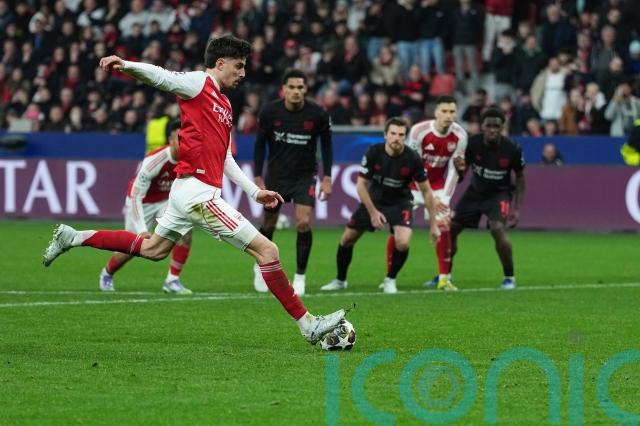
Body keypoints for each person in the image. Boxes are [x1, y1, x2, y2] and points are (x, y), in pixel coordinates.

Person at [42, 35, 346, 345]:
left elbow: (225, 157)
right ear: (220, 63)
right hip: (198, 193)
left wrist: (255, 192)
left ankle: (73, 237)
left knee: (153, 250)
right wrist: (127, 65)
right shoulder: (199, 83)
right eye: (239, 66)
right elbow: (162, 77)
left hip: (186, 191)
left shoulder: (224, 104)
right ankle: (308, 325)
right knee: (268, 250)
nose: (242, 74)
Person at [321, 117, 440, 294]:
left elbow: (427, 192)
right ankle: (340, 280)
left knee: (403, 242)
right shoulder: (374, 152)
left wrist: (434, 225)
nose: (397, 138)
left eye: (401, 135)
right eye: (393, 133)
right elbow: (361, 186)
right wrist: (373, 213)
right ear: (385, 135)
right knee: (347, 239)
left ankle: (390, 279)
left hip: (400, 202)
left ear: (405, 137)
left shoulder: (413, 158)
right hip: (374, 201)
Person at [253, 69, 333, 296]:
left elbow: (327, 145)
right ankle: (260, 267)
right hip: (276, 175)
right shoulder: (269, 112)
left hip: (304, 175)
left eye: (300, 87)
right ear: (284, 89)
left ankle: (300, 276)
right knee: (269, 223)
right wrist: (258, 176)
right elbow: (259, 145)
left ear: (305, 89)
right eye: (292, 87)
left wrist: (327, 178)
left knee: (303, 222)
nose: (296, 91)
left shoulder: (318, 114)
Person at [98, 119, 194, 294]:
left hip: (166, 202)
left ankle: (172, 280)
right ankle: (107, 272)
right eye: (179, 139)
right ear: (170, 140)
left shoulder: (191, 158)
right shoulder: (154, 161)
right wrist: (142, 230)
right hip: (142, 204)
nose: (183, 143)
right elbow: (134, 196)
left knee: (185, 231)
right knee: (132, 247)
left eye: (186, 139)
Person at [389, 95, 467, 291]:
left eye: (452, 112)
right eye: (444, 111)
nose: (448, 115)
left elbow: (454, 170)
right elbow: (410, 164)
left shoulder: (460, 135)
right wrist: (427, 195)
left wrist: (445, 198)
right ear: (436, 113)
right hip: (412, 185)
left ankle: (444, 279)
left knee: (444, 225)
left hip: (438, 186)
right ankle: (389, 277)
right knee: (399, 229)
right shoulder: (419, 131)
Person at [450, 108, 526, 290]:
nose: (492, 130)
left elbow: (520, 177)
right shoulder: (472, 144)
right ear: (482, 126)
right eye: (489, 126)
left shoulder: (512, 148)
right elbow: (461, 176)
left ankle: (509, 278)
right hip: (475, 192)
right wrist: (459, 170)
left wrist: (517, 209)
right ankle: (445, 275)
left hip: (499, 194)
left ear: (502, 128)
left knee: (497, 228)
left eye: (496, 126)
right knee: (450, 230)